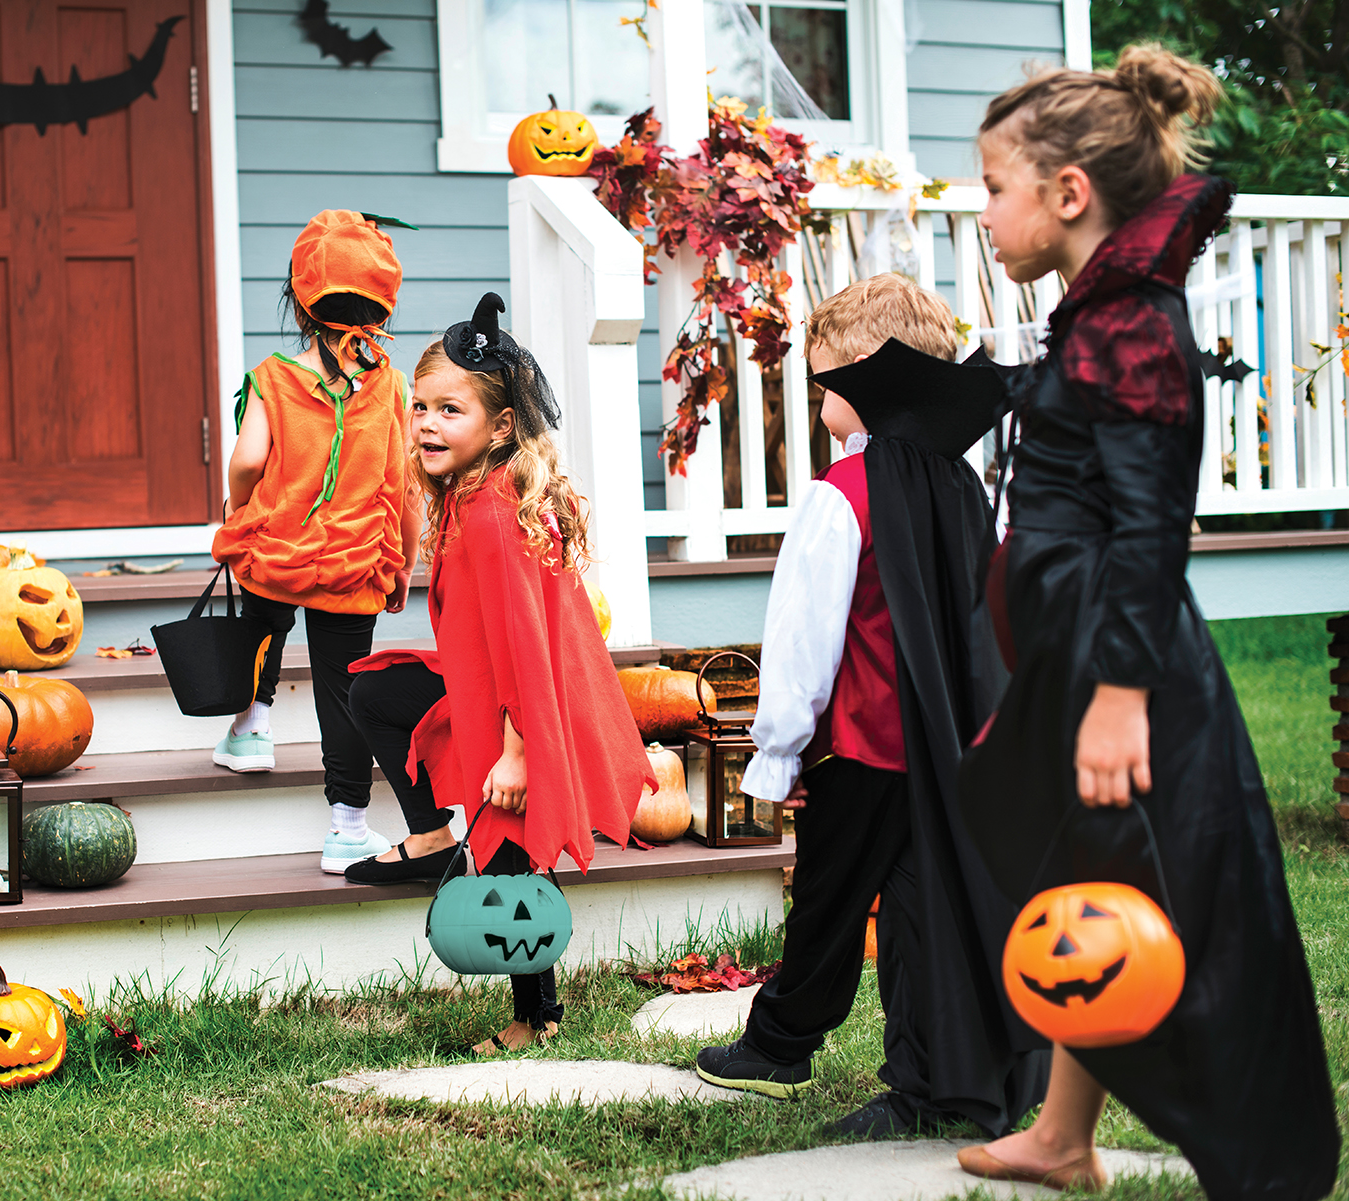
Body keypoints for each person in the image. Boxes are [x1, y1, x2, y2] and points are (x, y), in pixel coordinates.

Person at [955, 46, 1338, 1198]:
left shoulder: (1132, 325)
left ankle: (1262, 1166)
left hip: (1118, 664)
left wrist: (1120, 699)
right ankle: (1065, 1135)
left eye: (992, 187)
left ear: (1067, 194)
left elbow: (1151, 525)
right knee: (1090, 871)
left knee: (1170, 898)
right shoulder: (1098, 317)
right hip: (1076, 649)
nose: (983, 212)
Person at [694, 274, 1048, 1140]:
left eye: (822, 382)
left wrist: (773, 759)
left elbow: (803, 645)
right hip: (946, 751)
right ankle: (930, 1079)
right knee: (927, 915)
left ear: (862, 371)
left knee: (827, 900)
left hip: (855, 752)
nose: (817, 399)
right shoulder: (967, 491)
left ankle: (782, 1045)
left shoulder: (837, 497)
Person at [342, 292, 652, 1054]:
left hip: (528, 704)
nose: (426, 424)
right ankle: (435, 837)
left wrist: (516, 751)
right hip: (489, 686)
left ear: (500, 427)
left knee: (513, 853)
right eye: (420, 407)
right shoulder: (471, 494)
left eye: (451, 410)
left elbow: (522, 642)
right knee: (379, 691)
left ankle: (536, 1014)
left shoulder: (490, 514)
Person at [211, 210, 424, 875]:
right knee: (342, 691)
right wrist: (404, 563)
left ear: (300, 302)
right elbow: (408, 484)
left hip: (274, 552)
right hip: (354, 565)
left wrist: (235, 509)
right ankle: (346, 827)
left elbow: (247, 462)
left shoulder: (272, 378)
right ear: (381, 303)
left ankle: (251, 730)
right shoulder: (389, 385)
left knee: (262, 627)